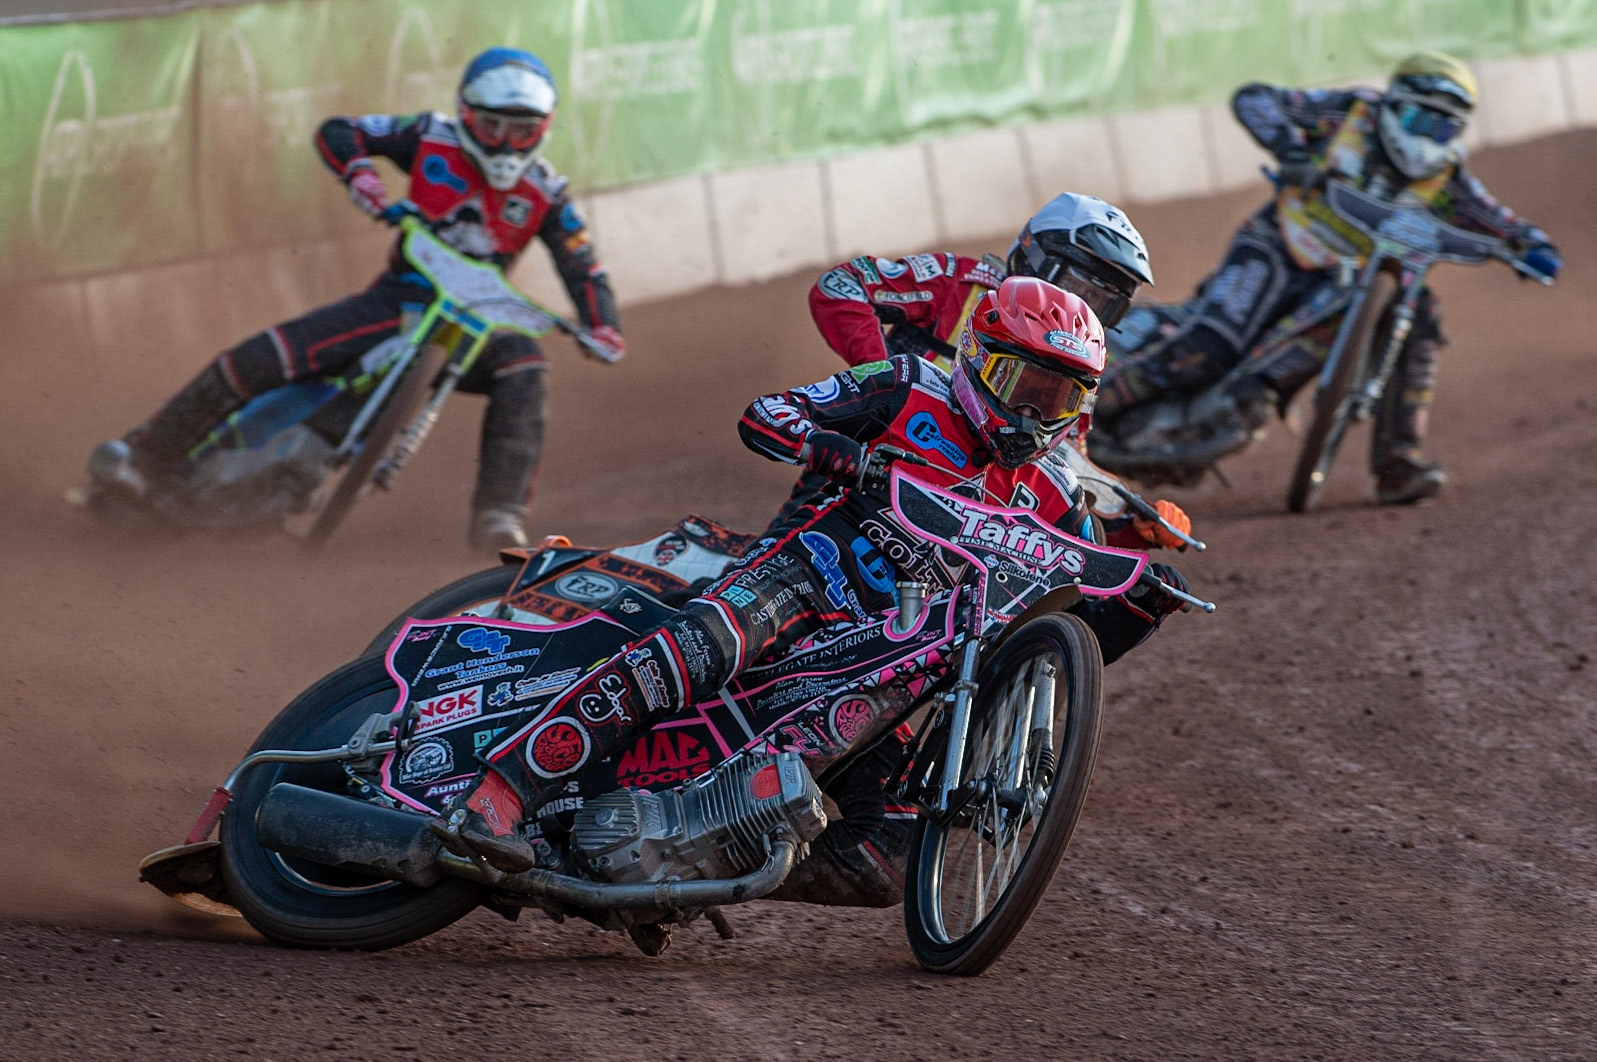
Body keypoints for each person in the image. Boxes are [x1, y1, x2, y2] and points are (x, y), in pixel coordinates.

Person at [438, 278, 1192, 902]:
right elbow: (768, 414)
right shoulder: (907, 384)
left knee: (885, 857)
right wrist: (829, 446)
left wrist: (1138, 604)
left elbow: (1074, 615)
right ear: (976, 357)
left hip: (892, 655)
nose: (1030, 414)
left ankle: (689, 863)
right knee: (697, 650)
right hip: (806, 575)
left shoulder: (1056, 494)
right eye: (1019, 385)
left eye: (1056, 399)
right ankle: (497, 797)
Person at [89, 47, 624, 553]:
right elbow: (340, 130)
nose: (506, 145)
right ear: (466, 115)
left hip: (472, 328)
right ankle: (145, 457)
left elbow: (585, 268)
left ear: (544, 130)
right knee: (267, 355)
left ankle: (499, 515)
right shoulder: (429, 136)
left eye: (522, 131)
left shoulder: (548, 194)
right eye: (492, 128)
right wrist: (360, 172)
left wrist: (603, 327)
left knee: (525, 363)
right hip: (399, 300)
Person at [1091, 52, 1560, 505]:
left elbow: (1500, 222)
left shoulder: (1448, 180)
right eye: (1419, 119)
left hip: (1347, 282)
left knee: (1419, 313)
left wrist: (1533, 249)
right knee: (1209, 347)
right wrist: (1291, 149)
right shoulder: (1351, 114)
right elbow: (1254, 98)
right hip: (1277, 246)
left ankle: (1400, 462)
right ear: (1394, 104)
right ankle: (1088, 414)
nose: (1427, 138)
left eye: (1444, 128)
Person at [804, 192, 1192, 551]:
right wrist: (881, 378)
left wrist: (1131, 530)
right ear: (1035, 257)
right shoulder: (962, 284)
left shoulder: (1076, 368)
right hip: (869, 469)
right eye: (1079, 288)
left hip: (964, 517)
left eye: (1104, 304)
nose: (1079, 308)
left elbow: (1060, 484)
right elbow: (840, 286)